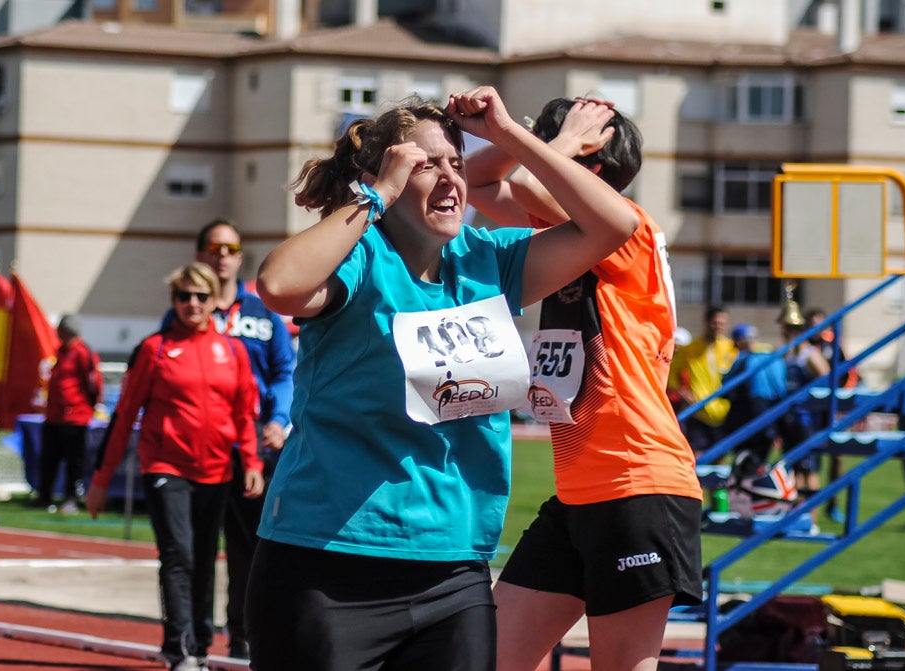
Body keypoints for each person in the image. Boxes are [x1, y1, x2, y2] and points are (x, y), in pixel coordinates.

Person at [247, 87, 638, 671]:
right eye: (426, 165)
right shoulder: (360, 255)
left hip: (453, 569)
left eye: (456, 162)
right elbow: (279, 286)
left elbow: (614, 223)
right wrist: (375, 194)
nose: (452, 178)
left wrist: (506, 134)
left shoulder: (491, 261)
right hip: (329, 561)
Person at [465, 97, 702, 671]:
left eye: (557, 148)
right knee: (487, 659)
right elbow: (479, 182)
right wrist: (514, 132)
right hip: (577, 495)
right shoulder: (570, 234)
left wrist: (558, 140)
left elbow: (522, 182)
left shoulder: (628, 228)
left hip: (638, 483)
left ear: (591, 165)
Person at [86, 262, 264, 671]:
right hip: (166, 466)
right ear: (173, 301)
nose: (192, 304)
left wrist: (251, 461)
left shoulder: (232, 350)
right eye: (184, 296)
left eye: (200, 296)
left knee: (204, 557)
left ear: (212, 301)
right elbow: (126, 413)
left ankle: (200, 645)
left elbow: (244, 412)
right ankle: (178, 647)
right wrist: (101, 478)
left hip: (217, 469)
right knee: (178, 554)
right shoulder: (156, 349)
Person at [191, 219, 295, 659]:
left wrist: (281, 418)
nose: (222, 254)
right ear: (201, 254)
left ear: (239, 257)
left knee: (248, 549)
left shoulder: (261, 311)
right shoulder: (189, 306)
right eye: (214, 246)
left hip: (253, 444)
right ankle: (192, 639)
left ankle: (242, 636)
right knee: (194, 548)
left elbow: (285, 372)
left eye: (230, 247)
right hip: (202, 444)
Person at [39, 314, 103, 514]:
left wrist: (86, 407)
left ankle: (71, 498)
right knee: (50, 458)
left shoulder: (83, 353)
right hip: (55, 416)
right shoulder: (61, 352)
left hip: (75, 417)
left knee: (74, 462)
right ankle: (44, 496)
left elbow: (94, 383)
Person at [778, 300, 830, 525]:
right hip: (790, 420)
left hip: (807, 421)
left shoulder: (810, 354)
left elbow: (827, 379)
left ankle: (813, 519)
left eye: (789, 329)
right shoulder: (788, 356)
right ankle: (798, 517)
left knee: (810, 471)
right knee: (795, 471)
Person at [804, 306, 858, 523]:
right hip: (809, 411)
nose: (817, 328)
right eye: (813, 323)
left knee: (837, 457)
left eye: (820, 323)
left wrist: (841, 403)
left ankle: (833, 504)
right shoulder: (803, 345)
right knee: (810, 459)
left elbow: (851, 373)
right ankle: (806, 506)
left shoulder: (834, 343)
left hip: (832, 409)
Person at [668, 305, 737, 455]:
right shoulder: (691, 349)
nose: (718, 327)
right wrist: (682, 392)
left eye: (722, 323)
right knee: (698, 456)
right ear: (706, 323)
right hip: (699, 410)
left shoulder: (731, 348)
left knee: (720, 457)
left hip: (723, 410)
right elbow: (671, 373)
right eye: (715, 323)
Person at [722, 324, 787, 464]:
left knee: (745, 458)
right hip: (772, 410)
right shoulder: (772, 354)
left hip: (749, 412)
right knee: (760, 458)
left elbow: (726, 387)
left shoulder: (743, 358)